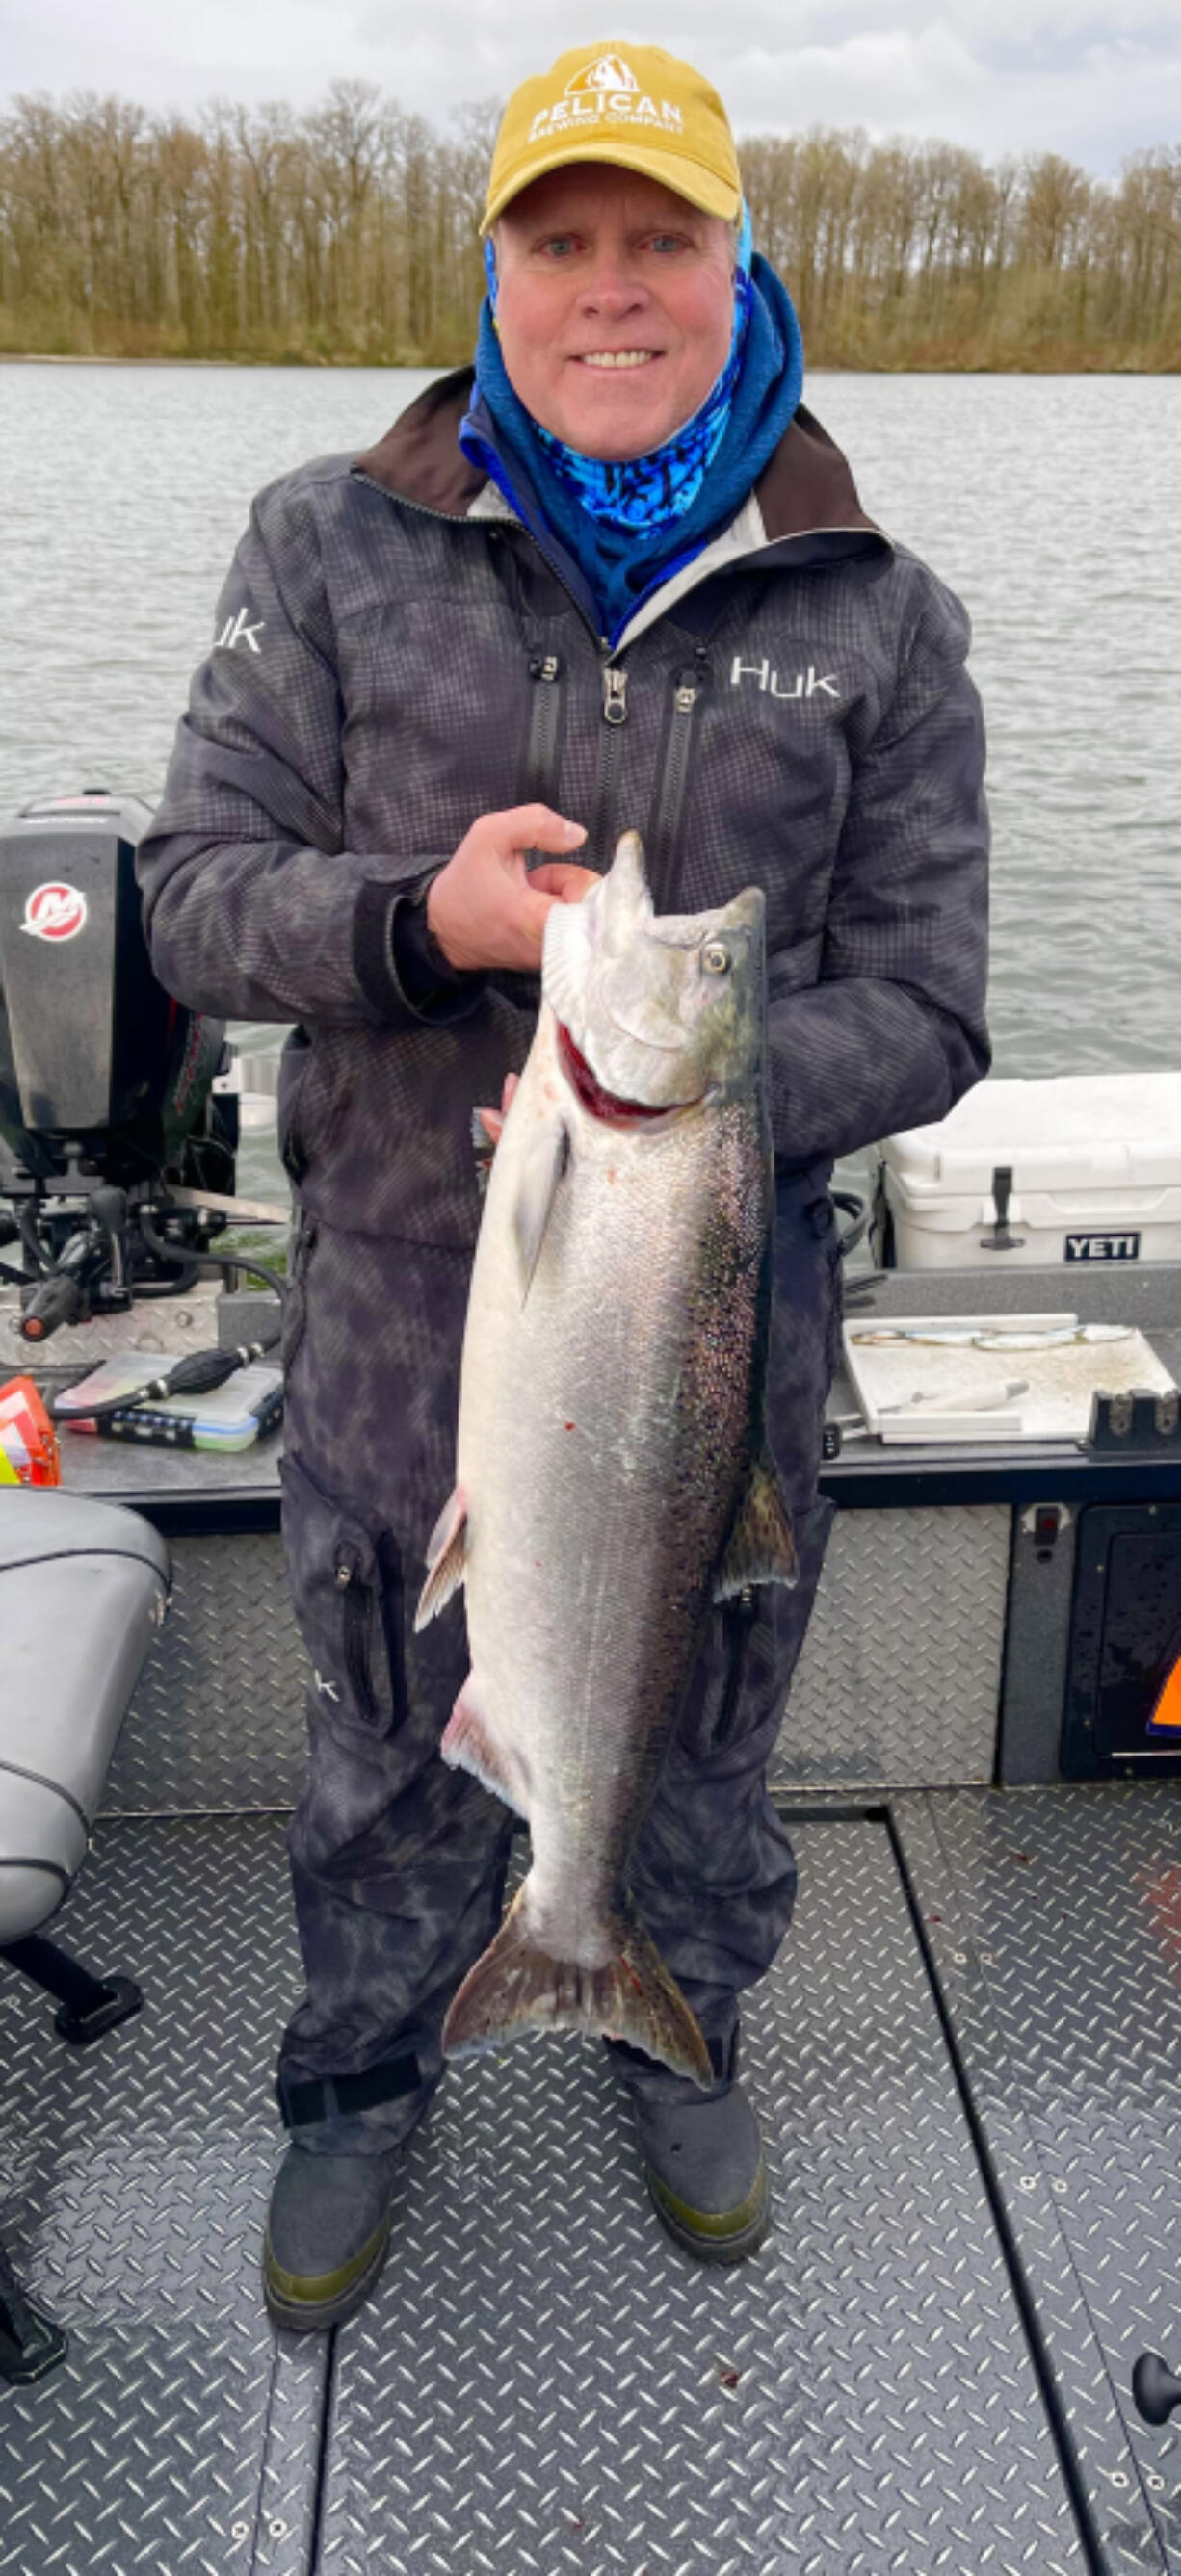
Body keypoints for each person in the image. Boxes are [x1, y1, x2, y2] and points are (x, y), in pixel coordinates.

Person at [138, 39, 988, 2330]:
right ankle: (359, 2087)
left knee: (692, 1733)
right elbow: (193, 903)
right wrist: (432, 926)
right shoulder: (324, 545)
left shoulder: (880, 611)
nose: (612, 291)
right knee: (384, 1735)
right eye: (561, 243)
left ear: (737, 267)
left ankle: (648, 1997)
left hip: (714, 1331)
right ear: (496, 270)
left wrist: (679, 1085)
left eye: (661, 244)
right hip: (412, 1324)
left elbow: (927, 1007)